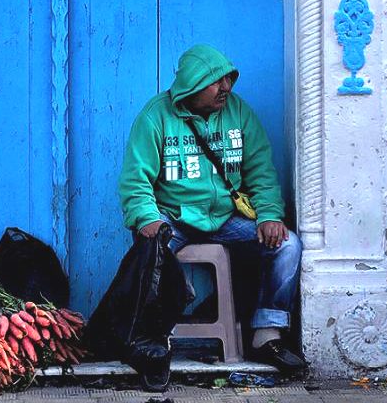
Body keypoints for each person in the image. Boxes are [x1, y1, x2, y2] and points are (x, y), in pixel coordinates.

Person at [118, 44, 305, 372]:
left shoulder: (239, 113)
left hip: (225, 218)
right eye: (216, 82)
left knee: (288, 245)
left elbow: (261, 171)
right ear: (192, 83)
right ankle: (152, 340)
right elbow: (136, 181)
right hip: (173, 216)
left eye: (229, 80)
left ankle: (267, 332)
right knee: (151, 249)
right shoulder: (155, 117)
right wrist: (147, 218)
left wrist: (270, 214)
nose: (226, 88)